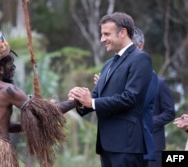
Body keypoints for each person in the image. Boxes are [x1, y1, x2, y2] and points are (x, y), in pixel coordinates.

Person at [0, 31, 79, 167]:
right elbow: (48, 112)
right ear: (1, 69)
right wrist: (75, 101)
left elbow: (3, 125)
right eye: (10, 65)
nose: (13, 68)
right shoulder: (8, 90)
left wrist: (28, 126)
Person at [68, 12, 153, 167]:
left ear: (122, 32)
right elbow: (96, 96)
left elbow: (130, 98)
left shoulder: (140, 59)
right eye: (102, 34)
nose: (102, 39)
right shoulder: (108, 64)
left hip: (127, 147)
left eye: (106, 34)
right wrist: (78, 99)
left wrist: (91, 102)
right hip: (106, 146)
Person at [93, 26, 158, 166]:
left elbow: (138, 102)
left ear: (139, 47)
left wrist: (103, 93)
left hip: (133, 141)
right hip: (108, 142)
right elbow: (96, 97)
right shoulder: (109, 66)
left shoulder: (147, 71)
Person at [149, 76, 175, 167]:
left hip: (153, 147)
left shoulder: (160, 83)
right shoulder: (128, 83)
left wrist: (148, 123)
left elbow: (170, 112)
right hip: (130, 148)